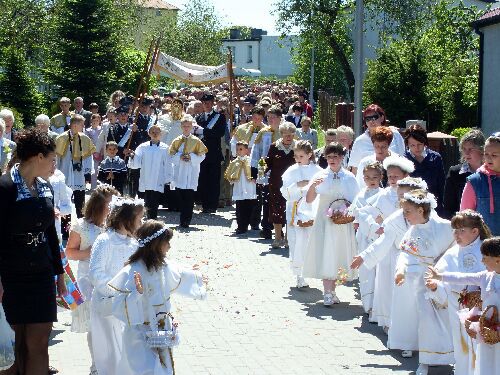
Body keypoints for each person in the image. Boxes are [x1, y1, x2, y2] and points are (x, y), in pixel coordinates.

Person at [0, 127, 66, 374]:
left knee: (39, 345)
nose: (54, 164)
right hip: (10, 275)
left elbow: (50, 233)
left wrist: (59, 274)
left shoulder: (45, 187)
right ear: (39, 157)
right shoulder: (5, 187)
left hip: (41, 273)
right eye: (52, 159)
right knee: (12, 347)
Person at [109, 220, 207, 375]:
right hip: (140, 334)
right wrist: (137, 293)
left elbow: (179, 273)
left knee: (163, 369)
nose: (169, 246)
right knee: (147, 370)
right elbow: (119, 305)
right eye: (167, 242)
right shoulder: (133, 270)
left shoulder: (162, 264)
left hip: (161, 331)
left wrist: (198, 278)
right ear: (156, 244)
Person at [351, 177, 428, 358]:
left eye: (406, 195)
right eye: (399, 196)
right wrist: (364, 256)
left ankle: (426, 341)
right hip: (399, 262)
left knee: (422, 304)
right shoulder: (395, 220)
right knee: (403, 303)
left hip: (423, 266)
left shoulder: (429, 219)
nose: (402, 200)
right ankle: (406, 341)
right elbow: (383, 242)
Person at [394, 189, 455, 375]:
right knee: (426, 319)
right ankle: (425, 360)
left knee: (448, 319)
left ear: (421, 210)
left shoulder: (445, 226)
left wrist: (443, 265)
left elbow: (456, 246)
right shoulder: (413, 231)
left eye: (408, 211)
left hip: (444, 279)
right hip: (423, 282)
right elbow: (405, 253)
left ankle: (451, 355)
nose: (405, 216)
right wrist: (400, 270)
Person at [425, 210, 491, 375]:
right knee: (461, 345)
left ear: (475, 231)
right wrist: (435, 286)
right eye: (454, 230)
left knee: (481, 345)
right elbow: (439, 276)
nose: (456, 235)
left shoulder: (487, 250)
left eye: (462, 230)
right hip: (458, 306)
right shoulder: (452, 252)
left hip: (483, 307)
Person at [65, 185, 118, 375]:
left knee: (113, 324)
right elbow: (69, 252)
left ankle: (112, 364)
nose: (113, 209)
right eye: (109, 206)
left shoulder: (116, 226)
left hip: (112, 281)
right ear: (98, 206)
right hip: (88, 282)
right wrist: (87, 253)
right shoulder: (82, 226)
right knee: (94, 327)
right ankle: (96, 366)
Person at [88, 196, 144, 375]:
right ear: (126, 219)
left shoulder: (134, 243)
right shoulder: (105, 240)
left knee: (126, 353)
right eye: (139, 218)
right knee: (108, 352)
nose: (141, 223)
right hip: (107, 305)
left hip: (127, 307)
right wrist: (119, 291)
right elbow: (96, 273)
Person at [302, 142, 359, 306]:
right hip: (324, 220)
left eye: (335, 156)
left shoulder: (349, 177)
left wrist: (348, 213)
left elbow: (355, 200)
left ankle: (333, 291)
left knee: (339, 253)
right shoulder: (320, 175)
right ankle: (326, 292)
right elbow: (309, 199)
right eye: (329, 157)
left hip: (342, 222)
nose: (332, 160)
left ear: (342, 158)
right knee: (326, 252)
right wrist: (313, 186)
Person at [364, 155, 414, 329]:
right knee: (385, 282)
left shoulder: (412, 194)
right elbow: (369, 213)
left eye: (396, 176)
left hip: (407, 245)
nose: (392, 179)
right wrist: (376, 224)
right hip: (388, 246)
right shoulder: (383, 195)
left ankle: (403, 321)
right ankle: (386, 320)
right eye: (390, 176)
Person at [280, 140, 322, 288]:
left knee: (310, 240)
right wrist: (297, 185)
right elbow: (285, 192)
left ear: (309, 155)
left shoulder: (317, 170)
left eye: (301, 156)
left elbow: (322, 189)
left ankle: (310, 269)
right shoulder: (291, 170)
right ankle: (299, 274)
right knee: (295, 240)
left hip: (312, 209)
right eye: (296, 156)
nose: (298, 159)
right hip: (295, 209)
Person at [350, 161, 384, 314]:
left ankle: (379, 303)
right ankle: (368, 304)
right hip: (364, 235)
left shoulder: (384, 195)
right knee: (366, 269)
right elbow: (356, 215)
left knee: (380, 270)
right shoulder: (360, 195)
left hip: (381, 235)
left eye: (375, 177)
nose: (371, 180)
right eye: (368, 177)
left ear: (381, 177)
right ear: (363, 178)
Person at [169, 115, 208, 228]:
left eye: (188, 126)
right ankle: (182, 216)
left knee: (189, 197)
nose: (186, 128)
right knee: (180, 195)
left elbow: (202, 155)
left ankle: (186, 220)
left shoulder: (196, 141)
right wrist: (179, 157)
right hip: (180, 171)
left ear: (192, 127)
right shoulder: (177, 141)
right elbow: (171, 154)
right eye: (184, 126)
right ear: (181, 127)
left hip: (191, 171)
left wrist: (191, 157)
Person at [250, 105, 283, 239]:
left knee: (280, 200)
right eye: (268, 117)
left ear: (280, 118)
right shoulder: (264, 132)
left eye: (273, 117)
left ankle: (279, 228)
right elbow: (256, 153)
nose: (270, 120)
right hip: (266, 169)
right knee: (266, 199)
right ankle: (267, 227)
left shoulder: (285, 131)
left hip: (281, 170)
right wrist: (255, 171)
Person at [55, 114, 95, 218]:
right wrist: (55, 172)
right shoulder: (61, 138)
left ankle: (80, 221)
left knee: (80, 199)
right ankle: (65, 224)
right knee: (64, 199)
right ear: (75, 125)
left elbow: (88, 158)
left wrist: (87, 173)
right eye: (82, 125)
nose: (83, 127)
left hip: (79, 173)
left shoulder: (85, 138)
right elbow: (56, 157)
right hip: (64, 171)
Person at [348, 104, 405, 175]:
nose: (371, 121)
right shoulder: (359, 141)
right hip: (368, 183)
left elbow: (403, 159)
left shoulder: (395, 135)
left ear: (382, 117)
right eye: (367, 119)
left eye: (374, 117)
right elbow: (355, 169)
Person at [461, 133, 500, 235]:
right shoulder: (474, 182)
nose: (489, 158)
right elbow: (464, 218)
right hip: (483, 246)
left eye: (494, 155)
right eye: (486, 154)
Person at [266, 122, 297, 248]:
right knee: (276, 209)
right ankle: (278, 238)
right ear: (281, 134)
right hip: (276, 183)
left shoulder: (298, 147)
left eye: (291, 135)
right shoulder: (274, 147)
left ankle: (288, 239)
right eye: (286, 135)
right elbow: (268, 163)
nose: (288, 137)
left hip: (293, 184)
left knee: (291, 210)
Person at [404, 124, 446, 216]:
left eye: (420, 144)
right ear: (407, 144)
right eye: (412, 145)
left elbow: (442, 185)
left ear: (425, 142)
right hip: (412, 206)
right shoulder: (403, 160)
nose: (416, 148)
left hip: (434, 206)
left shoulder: (435, 158)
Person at [194, 93, 226, 213]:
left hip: (213, 153)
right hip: (201, 154)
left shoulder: (219, 117)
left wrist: (204, 131)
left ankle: (212, 205)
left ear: (213, 103)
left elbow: (219, 133)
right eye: (204, 103)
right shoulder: (199, 118)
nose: (206, 105)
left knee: (213, 180)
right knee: (202, 179)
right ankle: (202, 203)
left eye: (208, 103)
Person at [130, 124, 170, 220]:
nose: (155, 134)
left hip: (158, 176)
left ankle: (153, 217)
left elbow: (169, 163)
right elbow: (136, 161)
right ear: (149, 133)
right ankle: (147, 216)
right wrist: (132, 156)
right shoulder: (143, 147)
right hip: (146, 175)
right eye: (153, 132)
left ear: (161, 134)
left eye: (157, 132)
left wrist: (168, 177)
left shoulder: (165, 148)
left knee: (155, 197)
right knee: (147, 197)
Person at [443, 128, 485, 219]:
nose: (466, 153)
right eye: (464, 149)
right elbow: (448, 208)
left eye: (471, 149)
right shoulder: (454, 173)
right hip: (462, 225)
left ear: (481, 150)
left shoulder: (491, 173)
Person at [224, 141, 257, 235]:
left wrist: (255, 178)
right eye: (237, 149)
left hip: (249, 187)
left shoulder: (251, 161)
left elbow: (256, 172)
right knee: (239, 208)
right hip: (239, 187)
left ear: (247, 150)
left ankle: (247, 224)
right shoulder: (234, 162)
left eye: (241, 149)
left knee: (249, 207)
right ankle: (241, 226)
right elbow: (229, 174)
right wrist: (232, 179)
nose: (239, 151)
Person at [85, 113, 103, 189]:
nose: (95, 122)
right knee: (94, 169)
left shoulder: (102, 129)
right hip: (92, 152)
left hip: (101, 151)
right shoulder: (88, 130)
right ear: (91, 121)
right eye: (94, 120)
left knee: (101, 168)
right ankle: (93, 186)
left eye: (97, 120)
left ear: (99, 121)